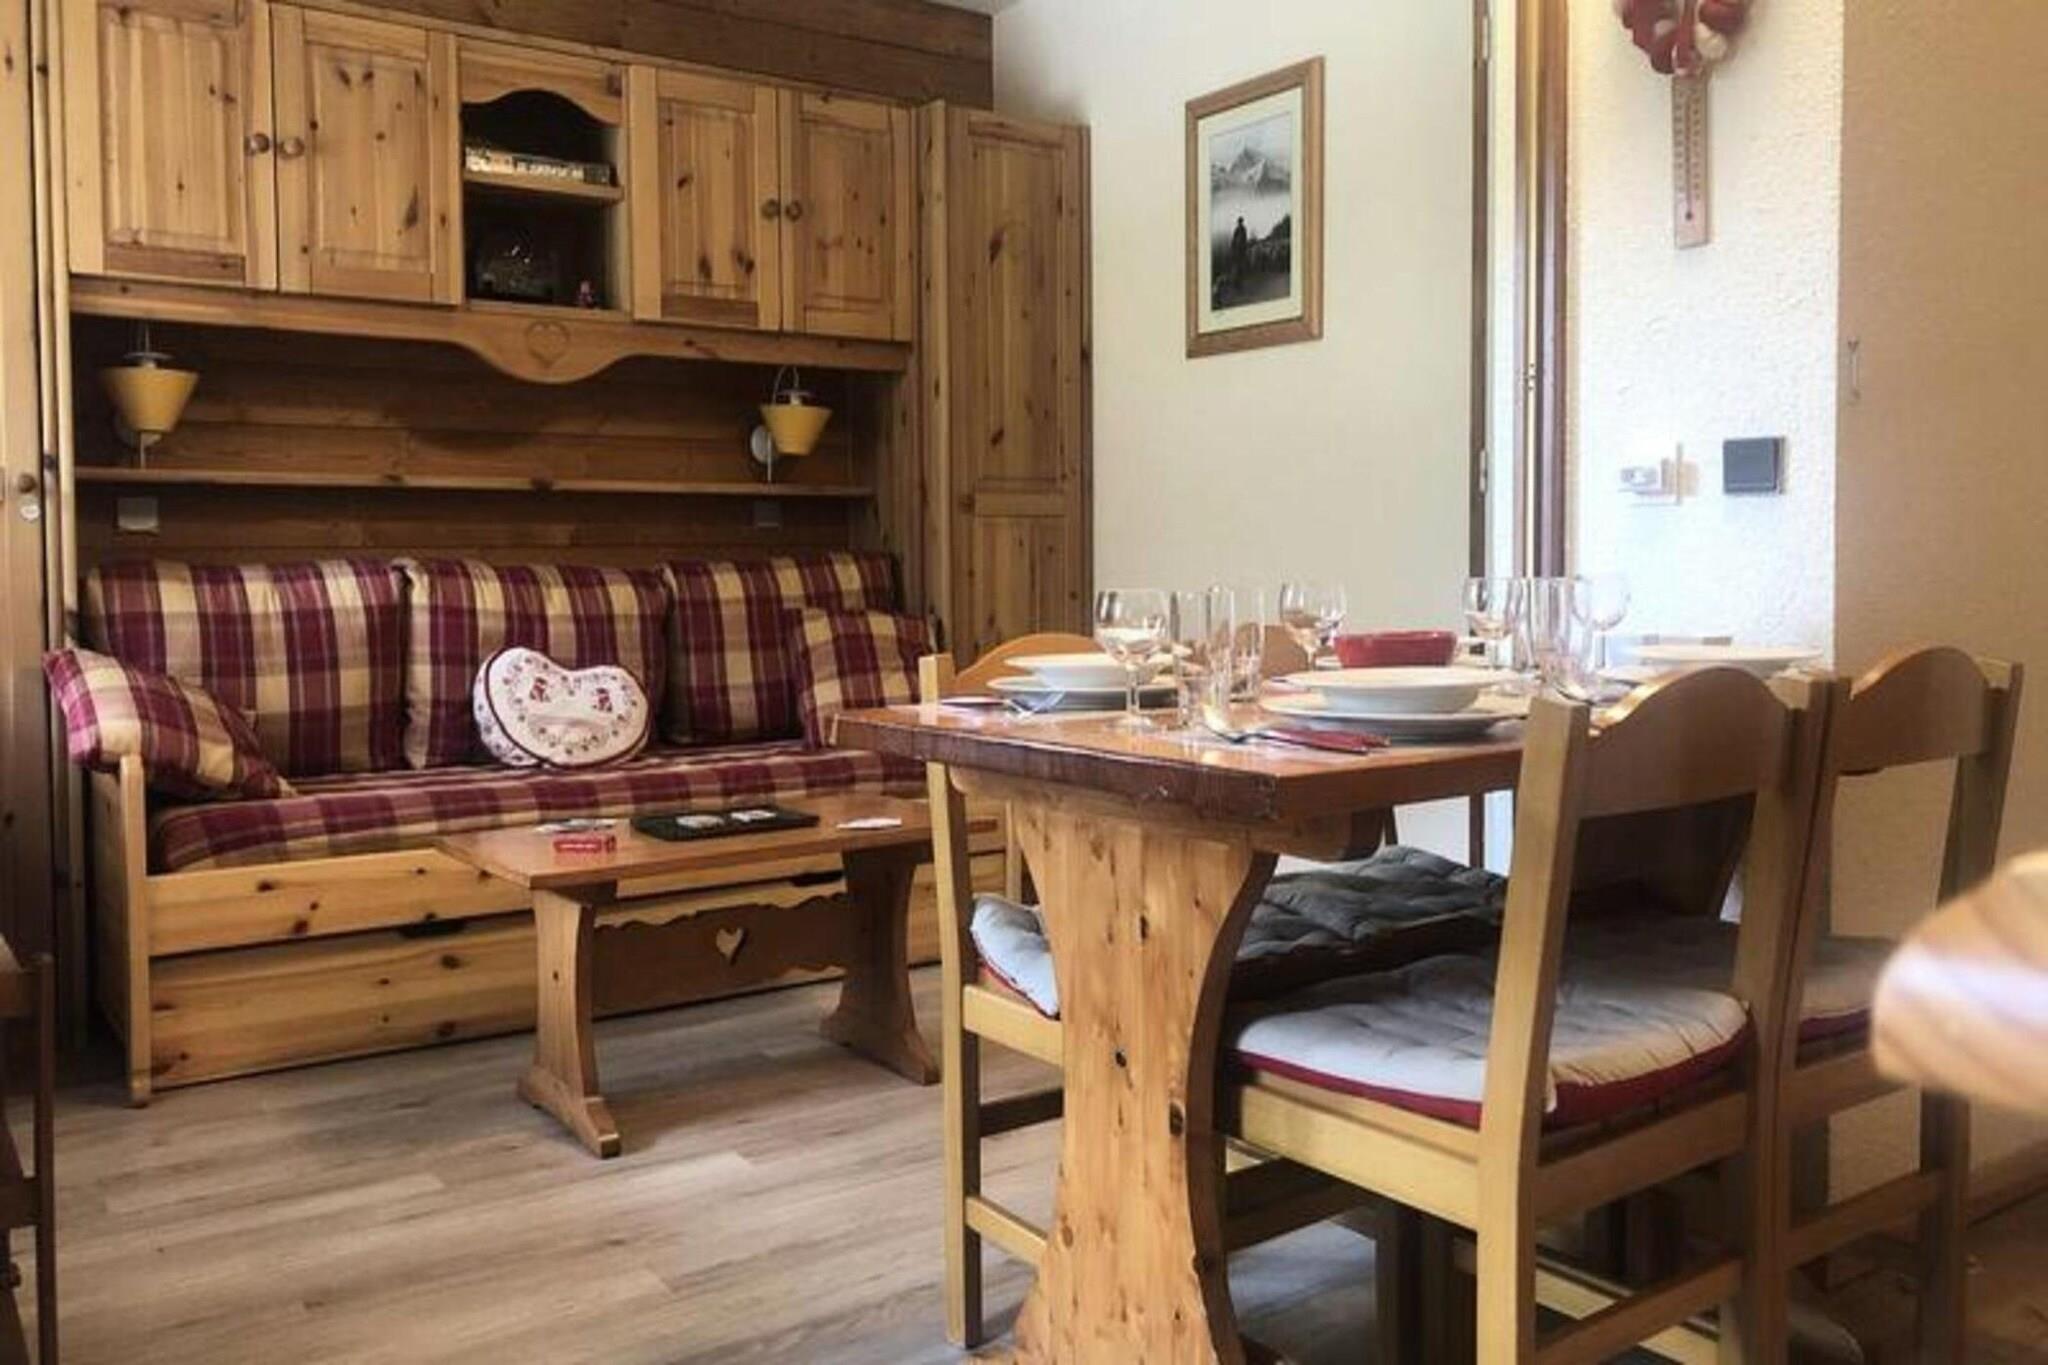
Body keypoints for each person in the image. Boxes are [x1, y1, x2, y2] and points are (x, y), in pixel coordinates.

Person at [1229, 215, 1250, 289]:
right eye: (1239, 222)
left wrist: (1244, 246)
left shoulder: (1243, 229)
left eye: (1240, 222)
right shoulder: (1237, 229)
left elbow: (1244, 238)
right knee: (1237, 266)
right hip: (1237, 250)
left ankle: (1239, 282)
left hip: (1241, 249)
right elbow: (1234, 238)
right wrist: (1232, 246)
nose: (1240, 223)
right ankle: (1236, 281)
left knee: (1241, 266)